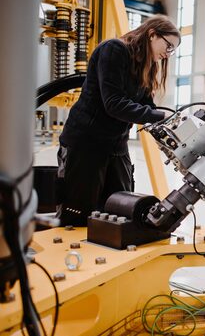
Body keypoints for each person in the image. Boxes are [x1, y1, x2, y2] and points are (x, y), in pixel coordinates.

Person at [56, 15, 180, 226]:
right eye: (168, 46)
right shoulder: (114, 50)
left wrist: (175, 127)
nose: (168, 54)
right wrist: (160, 115)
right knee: (78, 215)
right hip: (86, 144)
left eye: (172, 51)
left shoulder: (146, 66)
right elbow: (113, 103)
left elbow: (148, 108)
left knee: (120, 212)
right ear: (152, 34)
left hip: (116, 147)